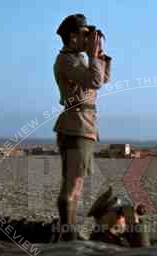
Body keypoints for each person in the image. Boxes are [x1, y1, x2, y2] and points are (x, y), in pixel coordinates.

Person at [53, 14, 112, 240]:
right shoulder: (66, 61)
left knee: (76, 185)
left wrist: (99, 54)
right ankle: (68, 234)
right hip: (75, 126)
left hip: (84, 125)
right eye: (85, 34)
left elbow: (104, 79)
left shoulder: (79, 58)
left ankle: (69, 231)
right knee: (72, 184)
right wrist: (91, 56)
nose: (89, 39)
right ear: (72, 36)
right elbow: (95, 82)